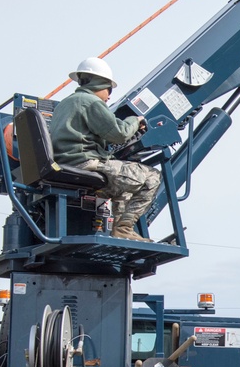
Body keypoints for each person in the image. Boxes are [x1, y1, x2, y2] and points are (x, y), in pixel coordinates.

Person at [49, 57, 159, 242]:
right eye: (109, 89)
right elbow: (120, 133)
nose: (109, 97)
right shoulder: (91, 102)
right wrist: (136, 121)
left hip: (66, 163)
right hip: (85, 163)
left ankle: (121, 231)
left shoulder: (64, 104)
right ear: (100, 83)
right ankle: (123, 227)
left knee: (124, 185)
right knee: (152, 177)